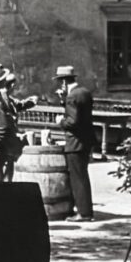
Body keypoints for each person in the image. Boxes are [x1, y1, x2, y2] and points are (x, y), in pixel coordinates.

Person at [54, 65, 97, 222]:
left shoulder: (72, 97)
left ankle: (84, 213)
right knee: (82, 176)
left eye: (60, 82)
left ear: (64, 81)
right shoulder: (84, 92)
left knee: (77, 178)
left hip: (75, 142)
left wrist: (61, 121)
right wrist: (63, 100)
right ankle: (85, 210)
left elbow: (73, 121)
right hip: (86, 140)